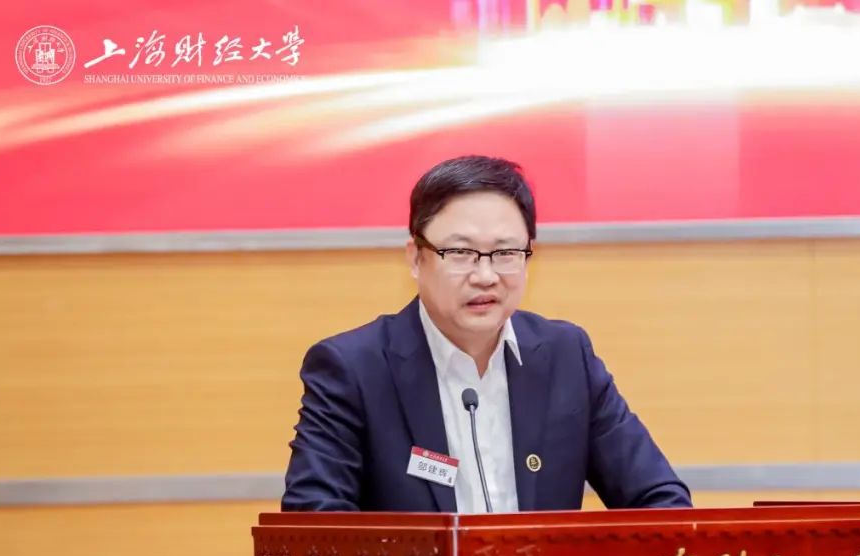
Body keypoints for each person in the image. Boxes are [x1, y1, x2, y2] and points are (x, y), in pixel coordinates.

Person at [281, 155, 692, 513]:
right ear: (416, 258)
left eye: (505, 253)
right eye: (460, 253)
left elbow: (659, 500)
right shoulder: (353, 369)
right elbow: (314, 522)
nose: (485, 275)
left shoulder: (567, 356)